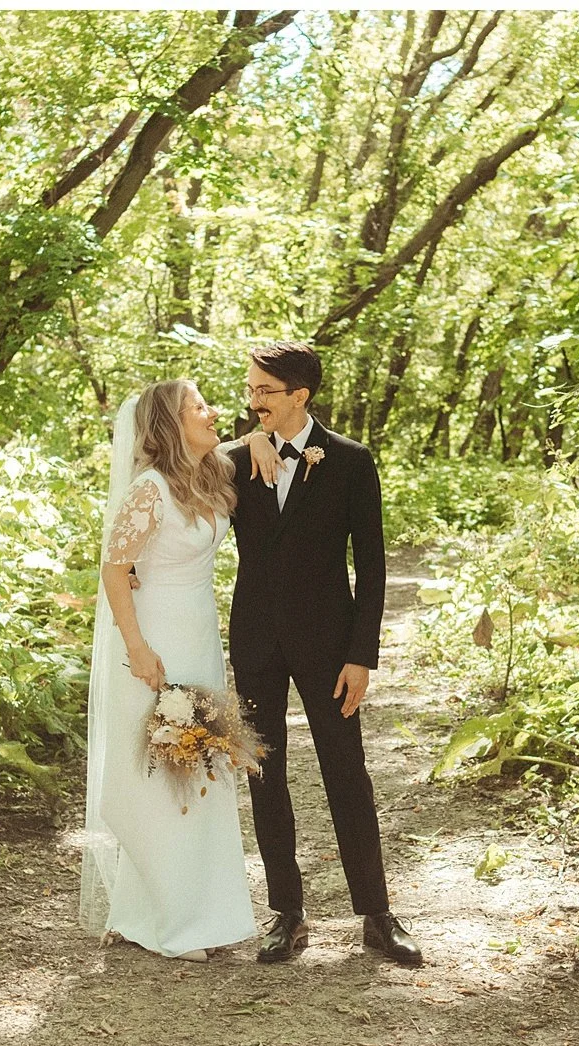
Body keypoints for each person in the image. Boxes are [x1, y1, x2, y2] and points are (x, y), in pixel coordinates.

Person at [226, 341, 422, 967]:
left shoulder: (351, 461)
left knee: (346, 771)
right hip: (256, 641)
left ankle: (377, 914)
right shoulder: (235, 461)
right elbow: (175, 468)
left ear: (300, 396)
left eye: (264, 391)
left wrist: (362, 655)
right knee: (265, 775)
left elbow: (372, 565)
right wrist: (244, 442)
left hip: (330, 646)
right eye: (250, 390)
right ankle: (287, 913)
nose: (253, 401)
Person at [78, 379, 260, 962]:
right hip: (155, 642)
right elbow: (115, 570)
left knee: (201, 769)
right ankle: (175, 921)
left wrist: (257, 438)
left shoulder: (205, 476)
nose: (213, 412)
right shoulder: (149, 490)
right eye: (198, 407)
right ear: (170, 424)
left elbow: (236, 446)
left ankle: (177, 911)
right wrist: (137, 647)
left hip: (199, 636)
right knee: (160, 775)